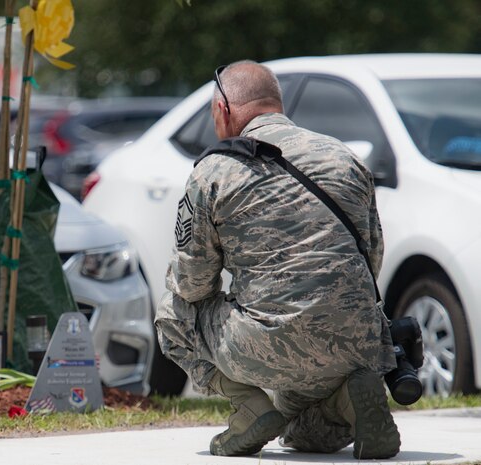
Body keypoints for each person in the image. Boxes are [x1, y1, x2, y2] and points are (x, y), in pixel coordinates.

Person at [154, 60, 399, 459]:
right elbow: (371, 260)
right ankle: (348, 402)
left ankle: (249, 405)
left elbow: (192, 284)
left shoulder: (215, 170)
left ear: (223, 110)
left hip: (266, 347)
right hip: (356, 346)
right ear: (276, 104)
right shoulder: (344, 157)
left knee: (172, 312)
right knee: (305, 436)